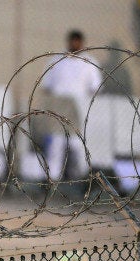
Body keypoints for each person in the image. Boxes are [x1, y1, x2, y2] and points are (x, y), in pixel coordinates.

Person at [40, 30, 102, 180]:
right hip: (59, 106)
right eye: (72, 41)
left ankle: (79, 178)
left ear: (82, 43)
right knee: (57, 141)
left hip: (79, 107)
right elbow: (46, 85)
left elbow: (96, 87)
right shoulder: (56, 60)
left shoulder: (89, 62)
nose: (75, 44)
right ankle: (52, 177)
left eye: (77, 41)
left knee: (78, 143)